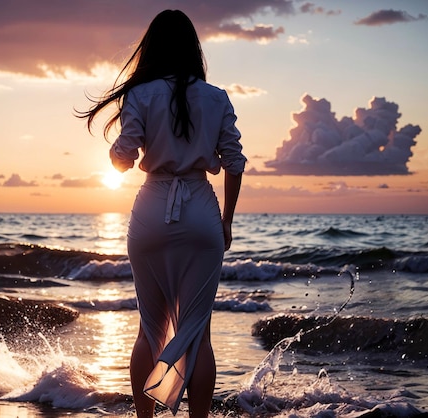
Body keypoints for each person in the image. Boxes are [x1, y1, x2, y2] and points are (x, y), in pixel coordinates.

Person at [78, 9, 245, 417]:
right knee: (198, 335)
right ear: (194, 50)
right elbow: (235, 162)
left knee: (148, 331)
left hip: (152, 212)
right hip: (201, 211)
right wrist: (226, 221)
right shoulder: (216, 97)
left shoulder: (141, 94)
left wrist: (118, 156)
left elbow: (123, 158)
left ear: (151, 50)